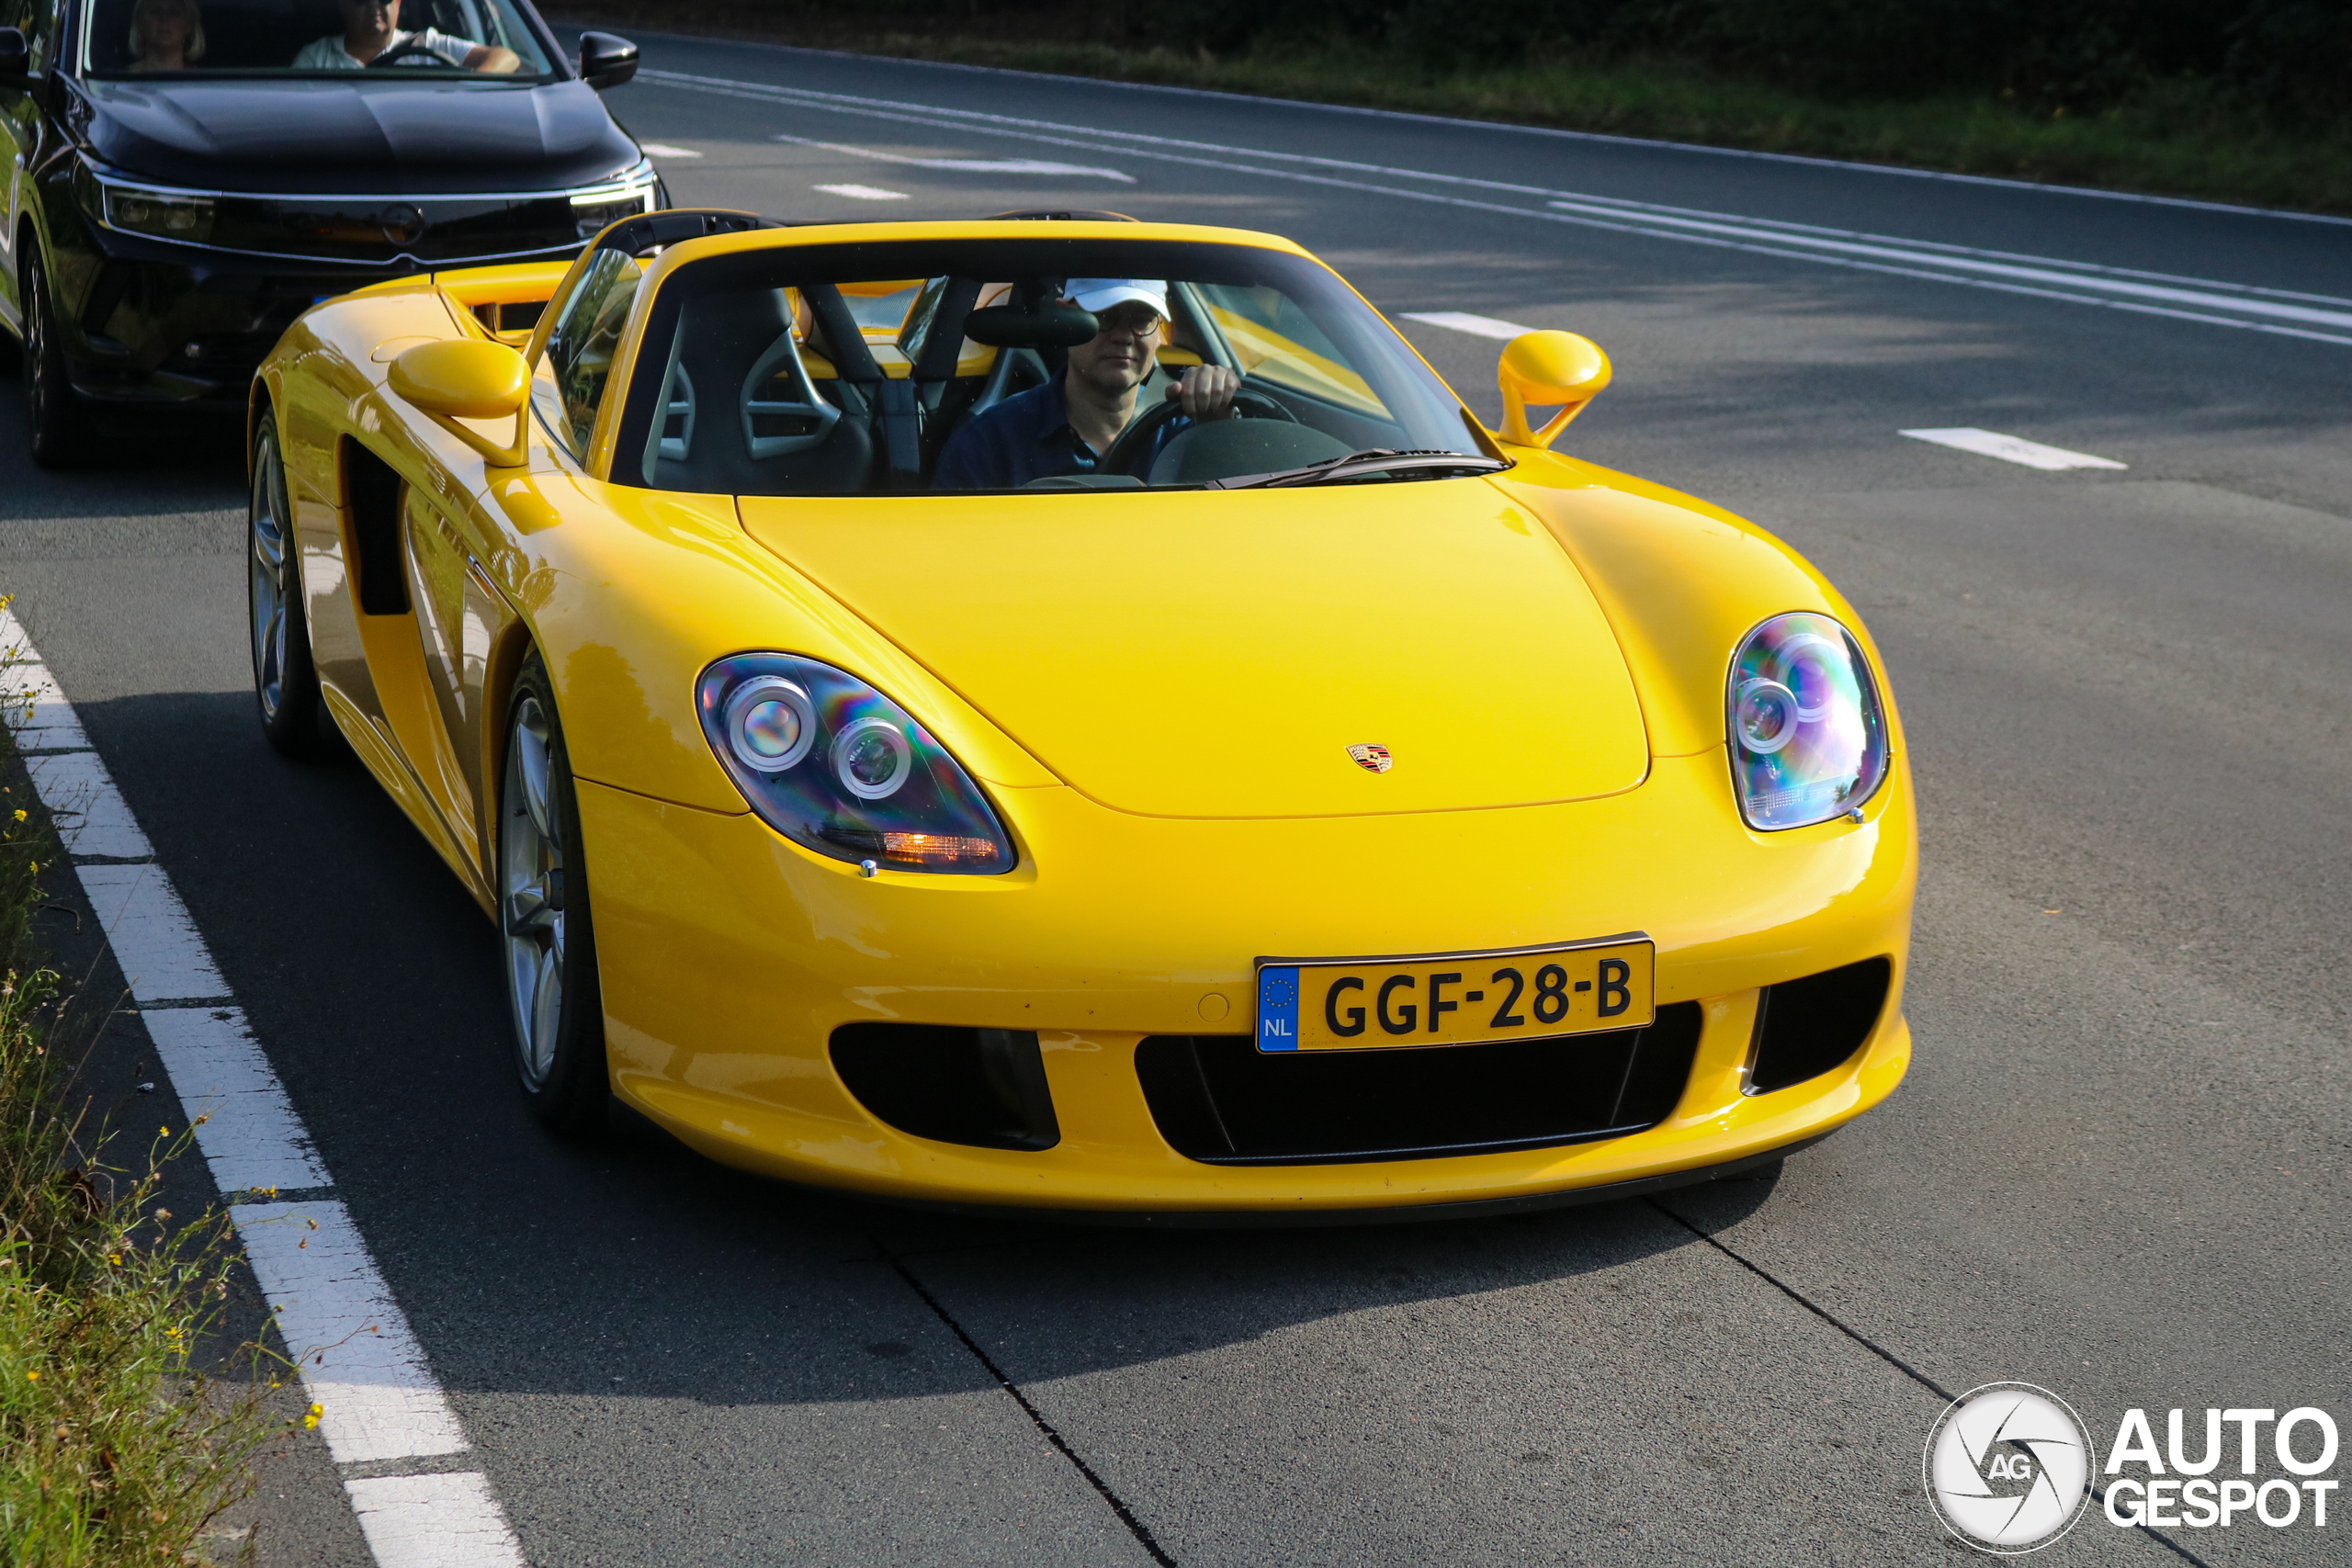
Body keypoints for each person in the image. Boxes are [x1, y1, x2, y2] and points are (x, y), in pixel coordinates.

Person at [933, 278, 1239, 490]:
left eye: (1143, 319)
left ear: (1160, 332)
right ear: (1064, 319)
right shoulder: (989, 442)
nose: (1124, 336)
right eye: (1105, 315)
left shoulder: (1189, 432)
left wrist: (1221, 431)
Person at [292, 0, 518, 72]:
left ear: (398, 3)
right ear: (343, 6)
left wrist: (470, 89)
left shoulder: (428, 44)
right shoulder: (315, 58)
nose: (375, 7)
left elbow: (506, 58)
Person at [126, 0, 204, 71]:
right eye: (155, 11)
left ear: (189, 25)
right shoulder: (120, 80)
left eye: (174, 13)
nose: (164, 19)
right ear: (141, 23)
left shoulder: (202, 83)